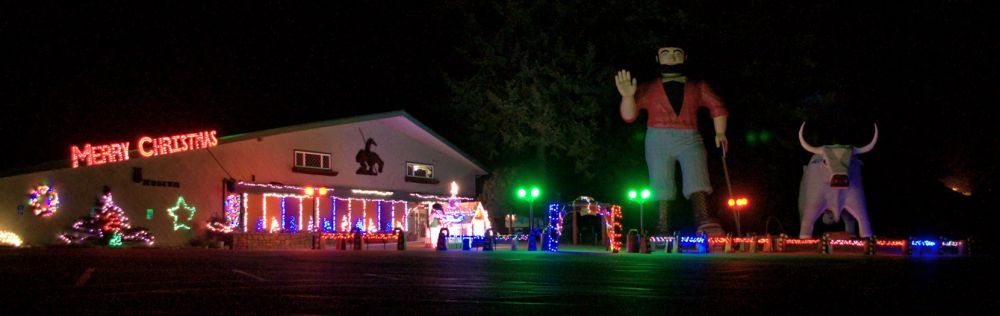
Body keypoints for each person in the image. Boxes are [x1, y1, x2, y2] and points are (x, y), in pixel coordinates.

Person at [614, 45, 728, 236]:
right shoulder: (649, 88)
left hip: (690, 137)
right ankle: (662, 224)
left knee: (697, 176)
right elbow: (629, 116)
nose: (672, 57)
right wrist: (627, 97)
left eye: (677, 53)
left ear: (685, 57)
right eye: (666, 53)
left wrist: (720, 132)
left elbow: (717, 107)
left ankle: (704, 218)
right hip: (658, 138)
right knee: (660, 181)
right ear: (658, 59)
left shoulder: (697, 87)